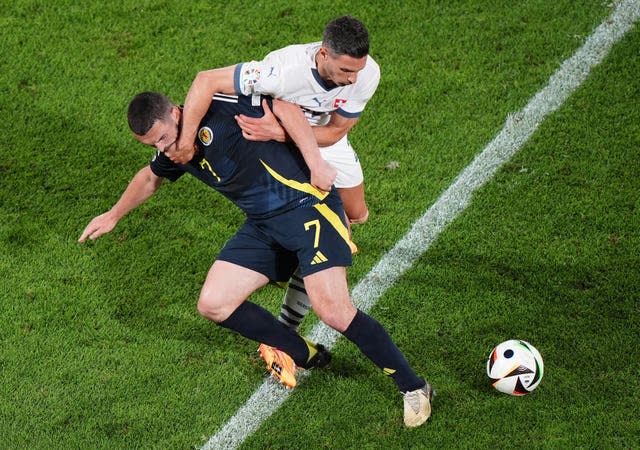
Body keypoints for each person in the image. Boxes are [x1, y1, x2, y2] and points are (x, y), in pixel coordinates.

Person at [78, 91, 433, 426]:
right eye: (153, 145)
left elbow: (283, 104)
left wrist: (311, 159)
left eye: (163, 139)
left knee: (334, 311)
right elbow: (149, 177)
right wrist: (113, 215)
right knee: (213, 303)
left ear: (176, 113)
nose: (163, 149)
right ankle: (302, 352)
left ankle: (414, 387)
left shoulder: (221, 111)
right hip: (264, 226)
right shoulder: (176, 149)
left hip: (309, 208)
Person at [173, 15, 379, 340]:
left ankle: (308, 252)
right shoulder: (280, 69)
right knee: (323, 227)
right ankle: (292, 314)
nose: (353, 78)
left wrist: (283, 133)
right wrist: (185, 142)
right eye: (345, 71)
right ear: (324, 54)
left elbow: (336, 131)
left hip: (319, 138)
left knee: (356, 214)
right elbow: (206, 81)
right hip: (275, 145)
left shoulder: (367, 74)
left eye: (357, 69)